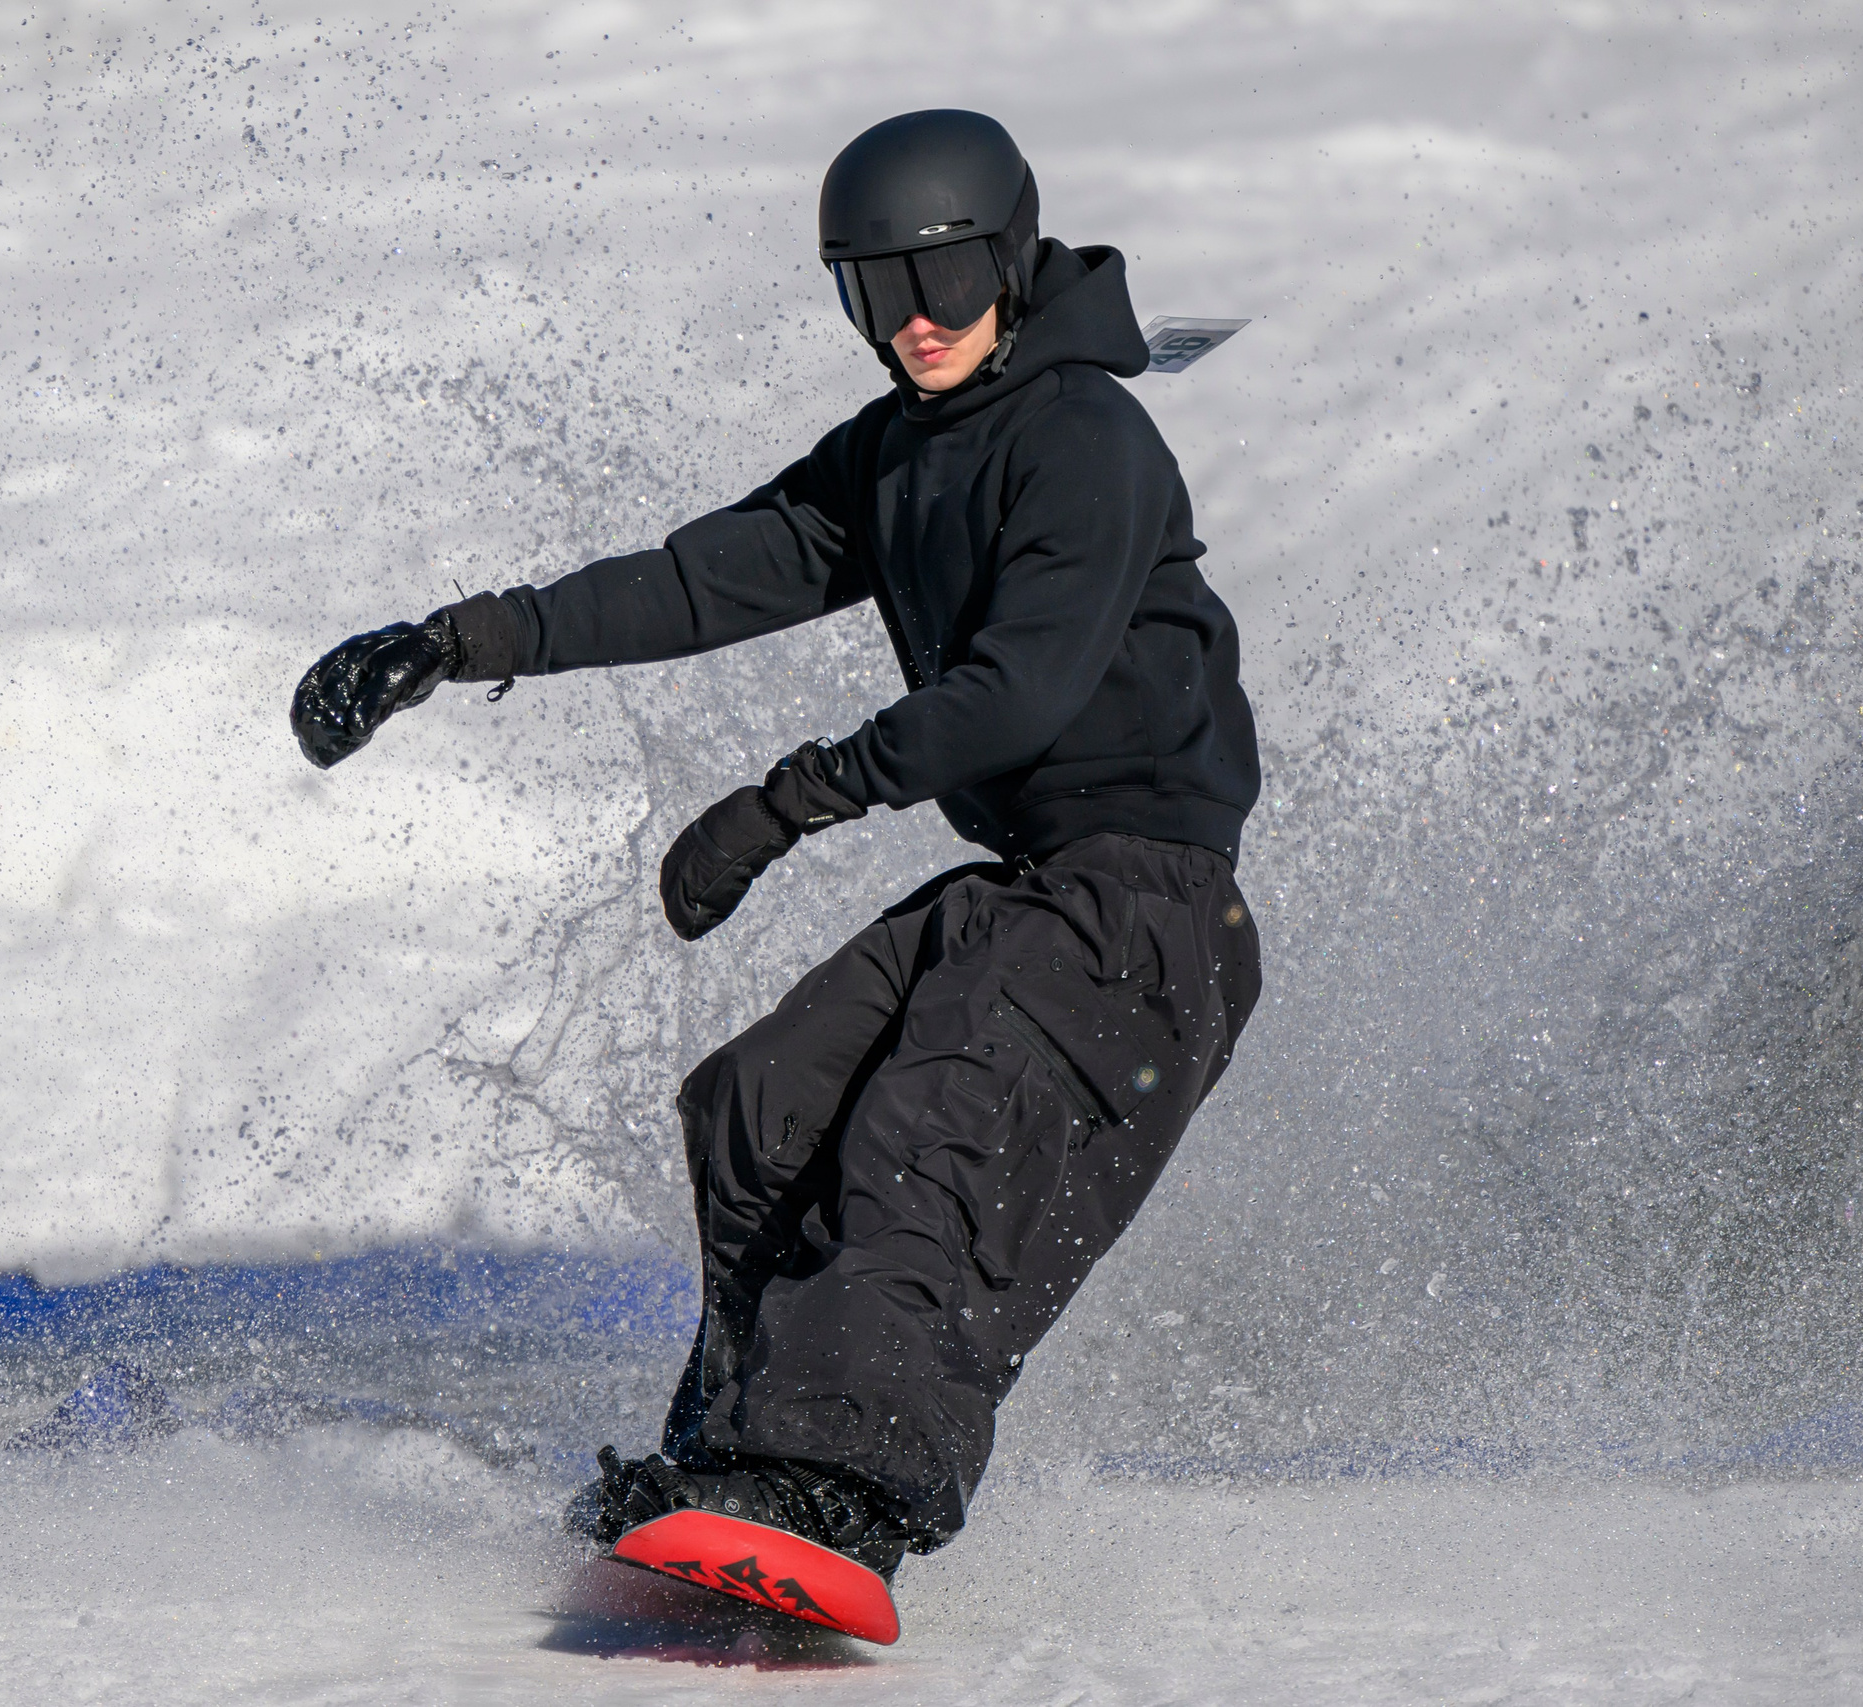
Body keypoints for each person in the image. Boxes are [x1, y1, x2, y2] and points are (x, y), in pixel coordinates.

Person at [289, 109, 1263, 1579]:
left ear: (1008, 260)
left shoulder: (1084, 441)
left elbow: (1017, 694)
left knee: (928, 1133)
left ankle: (844, 1487)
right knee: (760, 1104)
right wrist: (459, 639)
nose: (914, 323)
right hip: (1032, 894)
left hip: (1143, 913)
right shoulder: (900, 453)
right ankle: (738, 1463)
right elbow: (702, 578)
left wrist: (787, 802)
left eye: (940, 283)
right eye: (876, 292)